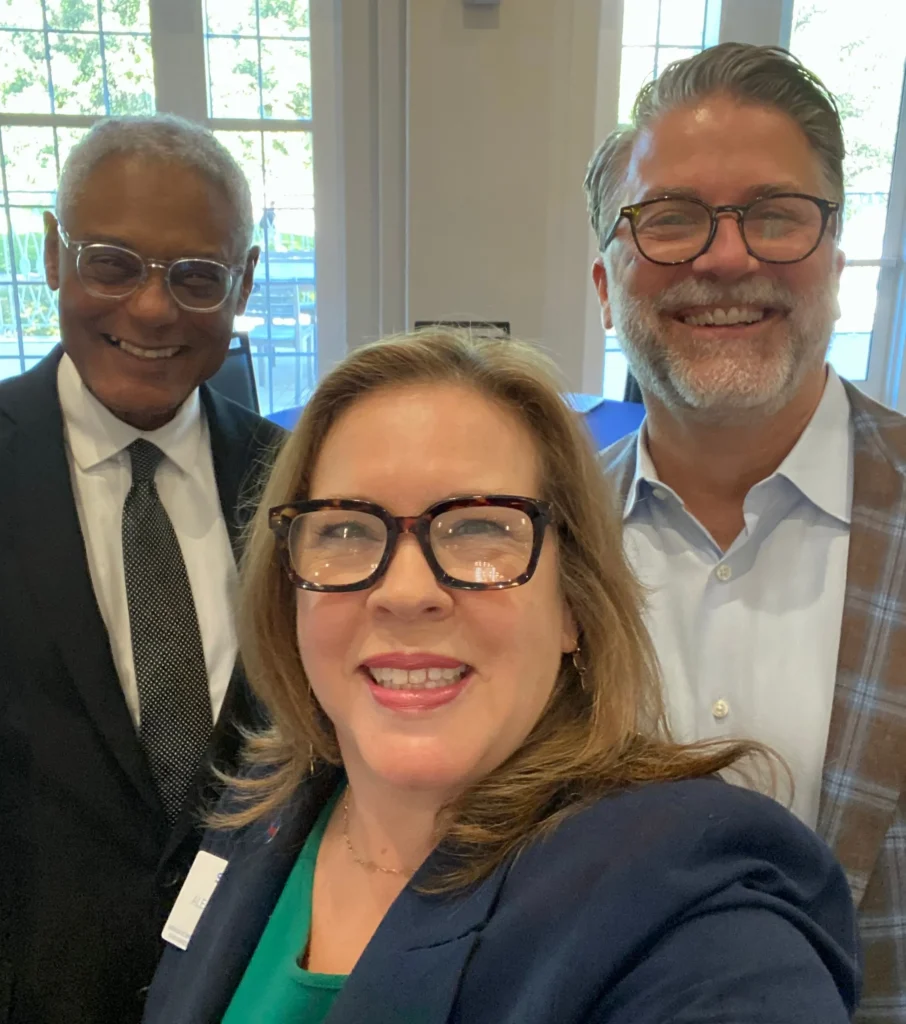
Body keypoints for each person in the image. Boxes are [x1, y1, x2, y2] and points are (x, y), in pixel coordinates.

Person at [143, 329, 858, 1023]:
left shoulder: (686, 908)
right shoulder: (262, 815)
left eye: (480, 527)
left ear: (573, 603)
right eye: (347, 530)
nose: (404, 591)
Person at [584, 43, 904, 1022]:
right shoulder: (537, 545)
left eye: (775, 214)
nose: (728, 258)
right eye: (671, 218)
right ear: (605, 283)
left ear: (836, 261)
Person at [0, 115, 284, 1024]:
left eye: (198, 277)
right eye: (112, 263)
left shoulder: (300, 486)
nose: (155, 308)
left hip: (248, 984)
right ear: (52, 253)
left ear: (241, 283)